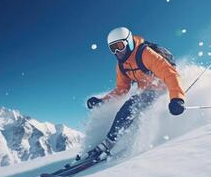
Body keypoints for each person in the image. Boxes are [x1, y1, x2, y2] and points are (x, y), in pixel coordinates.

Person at [77, 27, 186, 161]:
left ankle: (109, 143)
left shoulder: (145, 54)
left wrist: (177, 98)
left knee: (132, 105)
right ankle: (117, 141)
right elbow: (122, 89)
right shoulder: (122, 65)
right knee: (133, 107)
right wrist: (102, 101)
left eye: (119, 46)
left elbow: (170, 74)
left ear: (128, 42)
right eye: (113, 48)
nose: (117, 52)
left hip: (162, 88)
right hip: (147, 91)